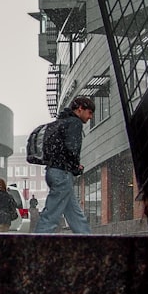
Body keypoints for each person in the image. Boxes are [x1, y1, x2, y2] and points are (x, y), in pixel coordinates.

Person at [34, 96, 95, 234]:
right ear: (80, 109)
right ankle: (37, 241)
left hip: (52, 170)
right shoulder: (75, 123)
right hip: (62, 173)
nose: (90, 117)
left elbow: (58, 149)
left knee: (74, 212)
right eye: (89, 112)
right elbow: (72, 148)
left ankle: (87, 238)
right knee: (52, 213)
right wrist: (75, 166)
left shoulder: (59, 123)